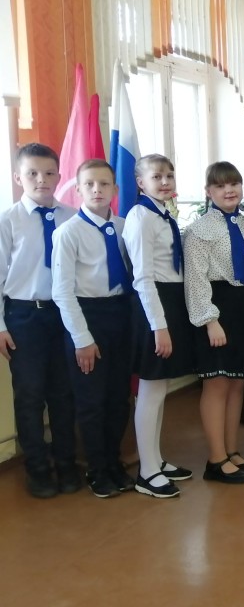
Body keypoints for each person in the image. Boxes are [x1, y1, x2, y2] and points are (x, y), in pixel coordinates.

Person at [51, 160, 134, 498]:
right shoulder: (68, 232)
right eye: (89, 184)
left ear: (115, 189)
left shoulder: (125, 227)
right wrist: (82, 339)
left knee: (118, 397)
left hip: (121, 315)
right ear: (78, 189)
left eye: (104, 184)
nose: (97, 190)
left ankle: (114, 461)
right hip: (88, 318)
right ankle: (97, 469)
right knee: (91, 399)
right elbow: (62, 291)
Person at [0, 143, 78, 498]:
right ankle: (37, 467)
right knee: (30, 395)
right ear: (18, 178)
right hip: (24, 315)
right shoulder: (8, 221)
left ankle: (66, 462)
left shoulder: (71, 217)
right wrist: (2, 326)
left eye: (48, 173)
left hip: (63, 313)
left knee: (63, 393)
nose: (41, 180)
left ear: (59, 176)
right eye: (32, 173)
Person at [123, 154, 195, 498]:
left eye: (169, 175)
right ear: (141, 183)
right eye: (157, 176)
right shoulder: (140, 217)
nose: (165, 182)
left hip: (170, 300)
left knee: (160, 388)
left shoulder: (163, 214)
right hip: (154, 306)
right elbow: (142, 277)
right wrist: (159, 326)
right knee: (151, 389)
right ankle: (147, 472)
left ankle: (156, 459)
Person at [183, 161, 244, 485]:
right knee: (217, 383)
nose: (229, 190)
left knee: (237, 382)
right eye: (220, 185)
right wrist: (210, 320)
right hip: (217, 308)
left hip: (243, 307)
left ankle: (231, 450)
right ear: (208, 192)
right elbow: (195, 279)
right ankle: (216, 459)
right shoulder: (199, 230)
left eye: (234, 184)